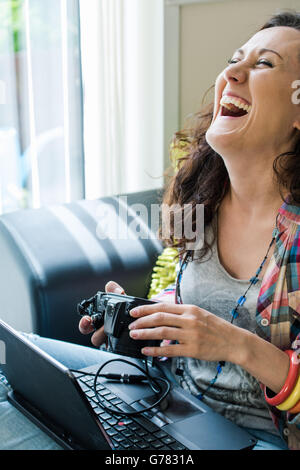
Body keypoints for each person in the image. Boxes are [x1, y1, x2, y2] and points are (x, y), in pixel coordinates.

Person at [0, 10, 300, 450]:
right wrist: (142, 321)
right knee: (12, 373)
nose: (231, 73)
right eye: (235, 59)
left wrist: (237, 346)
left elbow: (229, 331)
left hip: (260, 437)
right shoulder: (204, 196)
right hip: (165, 396)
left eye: (264, 64)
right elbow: (198, 300)